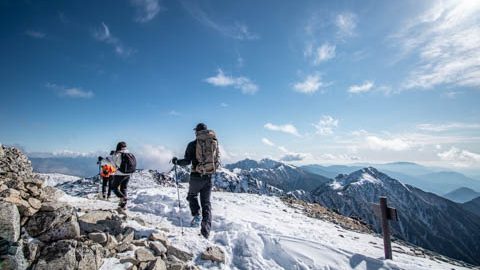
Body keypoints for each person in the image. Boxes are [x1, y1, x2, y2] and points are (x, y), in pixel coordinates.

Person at [172, 123, 220, 238]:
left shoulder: (192, 144)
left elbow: (187, 162)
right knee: (206, 204)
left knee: (192, 195)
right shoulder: (213, 142)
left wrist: (176, 161)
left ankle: (196, 215)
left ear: (196, 132)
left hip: (196, 176)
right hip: (208, 176)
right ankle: (205, 233)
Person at [112, 142, 136, 210]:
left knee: (114, 187)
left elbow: (114, 164)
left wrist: (113, 155)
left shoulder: (117, 154)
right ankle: (123, 206)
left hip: (120, 173)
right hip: (128, 174)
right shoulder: (129, 153)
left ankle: (123, 198)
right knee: (123, 188)